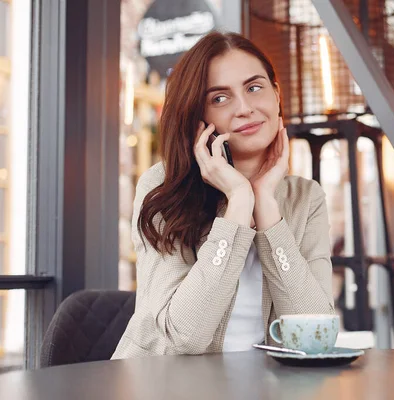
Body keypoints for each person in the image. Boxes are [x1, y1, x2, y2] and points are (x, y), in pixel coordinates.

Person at [112, 31, 335, 359]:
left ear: (276, 95)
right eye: (220, 98)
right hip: (162, 386)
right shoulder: (163, 187)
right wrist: (239, 203)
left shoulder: (305, 198)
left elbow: (314, 336)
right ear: (198, 117)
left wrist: (267, 208)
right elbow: (182, 338)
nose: (245, 108)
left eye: (254, 88)